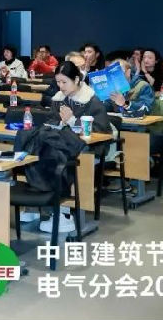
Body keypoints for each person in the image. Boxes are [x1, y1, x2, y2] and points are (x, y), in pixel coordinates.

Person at [45, 61, 112, 234]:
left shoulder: (91, 100)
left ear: (76, 79)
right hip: (64, 144)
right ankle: (39, 207)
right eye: (58, 82)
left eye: (64, 82)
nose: (60, 86)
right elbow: (50, 121)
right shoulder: (58, 99)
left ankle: (64, 212)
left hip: (90, 149)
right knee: (41, 153)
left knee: (60, 159)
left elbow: (101, 130)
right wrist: (61, 122)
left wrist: (73, 121)